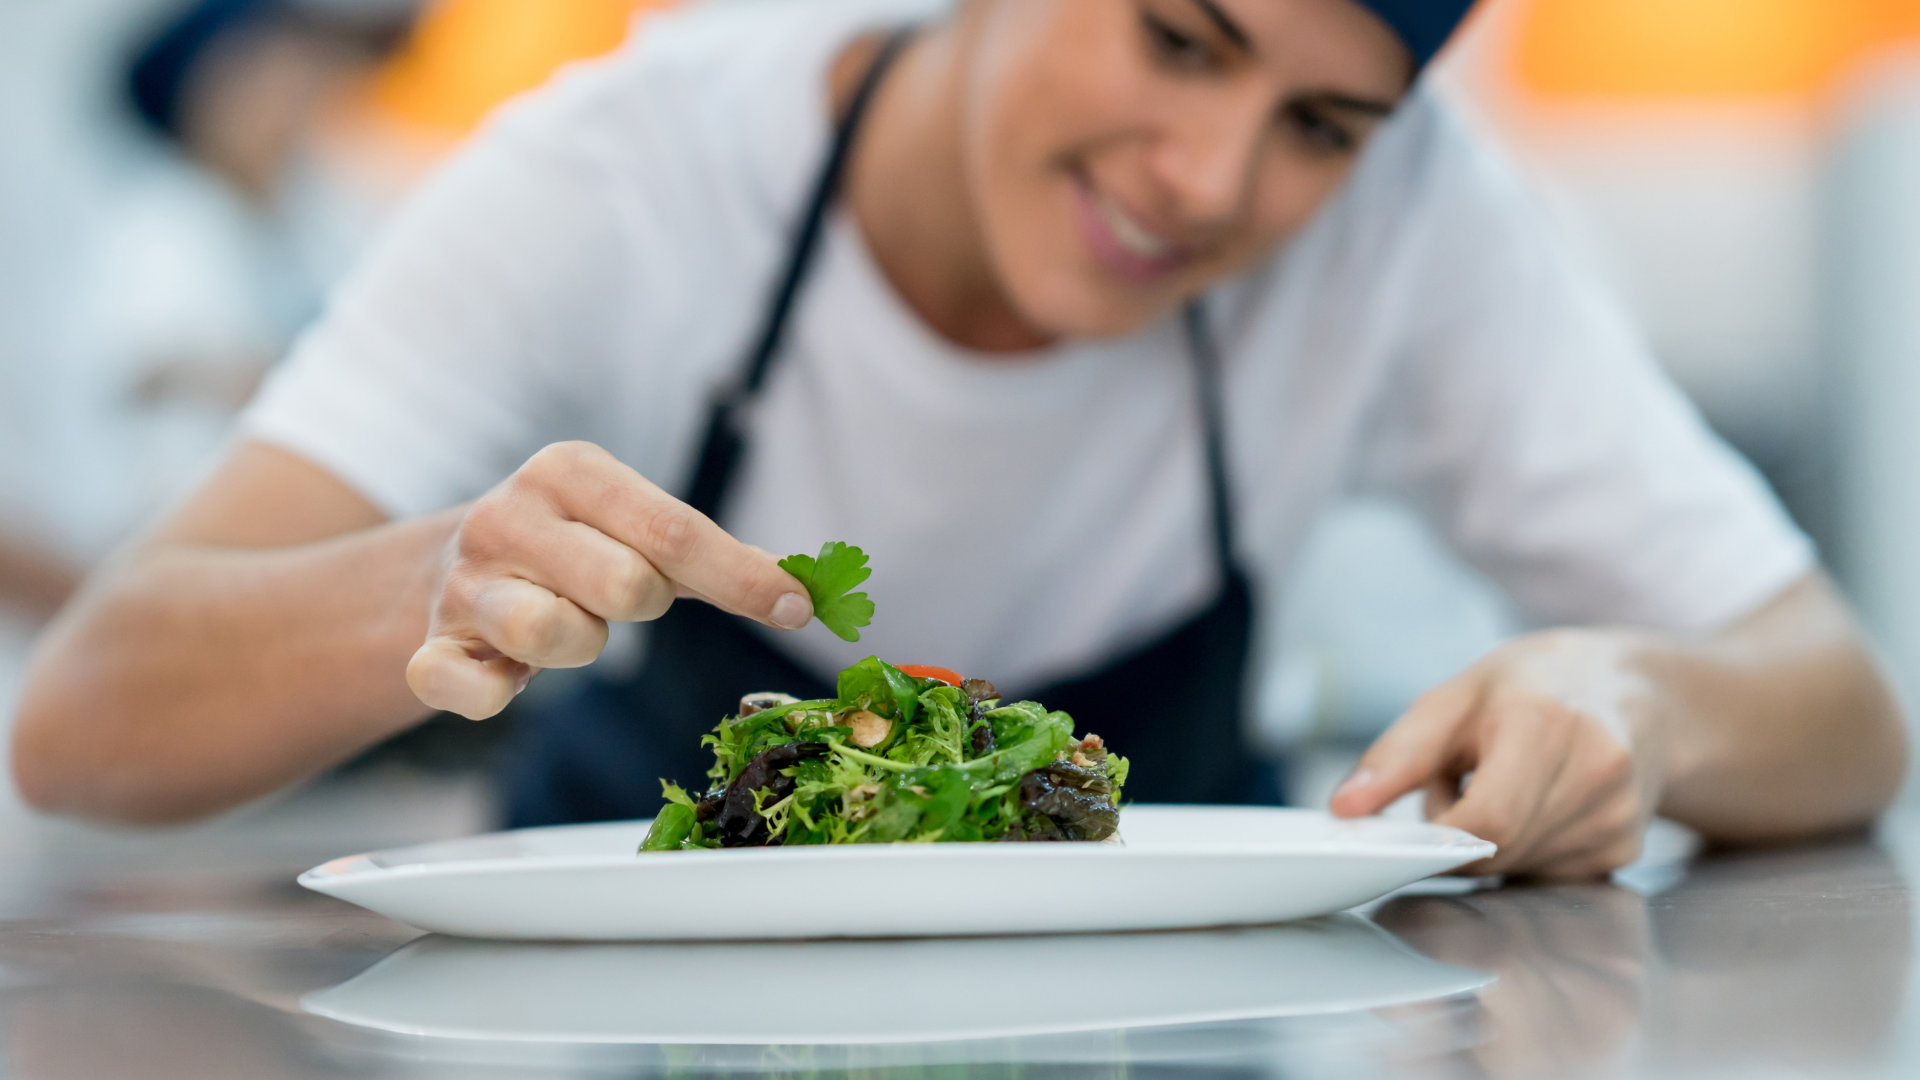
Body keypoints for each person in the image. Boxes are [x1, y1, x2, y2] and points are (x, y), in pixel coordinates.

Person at [12, 0, 1906, 877]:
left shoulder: (1426, 231)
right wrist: (420, 587)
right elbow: (79, 717)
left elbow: (1839, 705)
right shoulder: (627, 167)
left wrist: (1637, 697)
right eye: (1178, 39)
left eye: (1323, 124)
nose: (1211, 182)